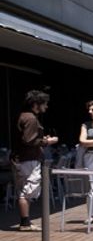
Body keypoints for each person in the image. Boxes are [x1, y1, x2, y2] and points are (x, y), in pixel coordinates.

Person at [13, 90, 58, 231]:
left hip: (23, 158)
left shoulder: (24, 116)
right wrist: (47, 141)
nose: (46, 106)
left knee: (25, 189)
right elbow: (28, 140)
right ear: (36, 104)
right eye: (44, 103)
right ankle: (25, 223)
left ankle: (26, 221)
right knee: (27, 190)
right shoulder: (31, 118)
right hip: (28, 159)